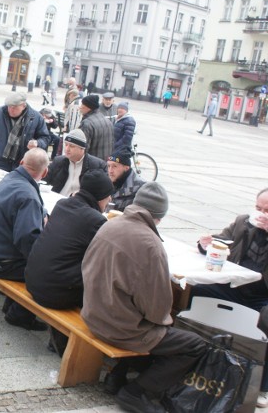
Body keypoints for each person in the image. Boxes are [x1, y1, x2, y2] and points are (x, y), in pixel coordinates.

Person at [82, 182, 206, 412]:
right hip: (118, 327)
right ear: (159, 216)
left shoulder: (111, 224)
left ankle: (117, 375)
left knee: (139, 315)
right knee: (194, 344)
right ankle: (136, 391)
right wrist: (166, 320)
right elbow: (157, 310)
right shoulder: (151, 245)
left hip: (92, 313)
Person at [190, 188, 268, 407]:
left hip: (262, 295)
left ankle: (263, 385)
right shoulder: (244, 222)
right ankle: (193, 354)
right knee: (198, 291)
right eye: (258, 208)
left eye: (267, 210)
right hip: (236, 287)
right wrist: (205, 245)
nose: (261, 214)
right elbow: (221, 242)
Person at [25, 170, 113, 355]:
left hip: (32, 279)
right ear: (99, 197)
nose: (109, 200)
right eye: (107, 196)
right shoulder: (96, 220)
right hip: (54, 293)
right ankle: (73, 346)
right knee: (100, 283)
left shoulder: (63, 204)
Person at [0, 148, 50, 331]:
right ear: (44, 173)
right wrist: (42, 264)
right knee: (46, 274)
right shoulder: (28, 195)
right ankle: (19, 315)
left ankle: (12, 305)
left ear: (22, 163)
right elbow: (27, 239)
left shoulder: (11, 179)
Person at [0, 92, 50, 172]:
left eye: (14, 107)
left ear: (23, 106)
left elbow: (45, 138)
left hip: (22, 164)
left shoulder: (36, 118)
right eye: (9, 106)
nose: (11, 110)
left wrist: (37, 143)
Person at [43, 130, 107, 197]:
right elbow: (44, 181)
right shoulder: (58, 161)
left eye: (72, 146)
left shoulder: (96, 166)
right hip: (56, 200)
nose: (67, 149)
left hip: (79, 204)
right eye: (66, 144)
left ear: (82, 148)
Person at [78, 94, 114, 160]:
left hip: (91, 164)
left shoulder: (87, 123)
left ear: (88, 107)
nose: (80, 107)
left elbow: (82, 148)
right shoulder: (108, 121)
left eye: (82, 104)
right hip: (105, 163)